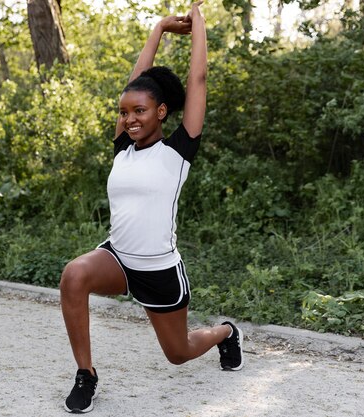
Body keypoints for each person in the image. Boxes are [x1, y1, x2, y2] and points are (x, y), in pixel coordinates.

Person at [59, 2, 244, 413]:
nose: (129, 119)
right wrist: (157, 29)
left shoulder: (178, 151)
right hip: (118, 258)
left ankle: (226, 333)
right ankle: (86, 375)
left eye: (139, 111)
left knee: (178, 353)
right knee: (74, 275)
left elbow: (198, 79)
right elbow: (133, 85)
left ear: (161, 112)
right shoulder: (123, 148)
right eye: (124, 113)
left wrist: (199, 26)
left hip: (159, 269)